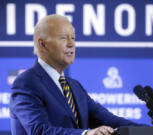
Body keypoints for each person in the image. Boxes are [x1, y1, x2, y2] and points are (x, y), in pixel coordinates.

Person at [10, 14, 144, 135]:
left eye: (73, 38)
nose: (71, 44)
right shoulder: (26, 83)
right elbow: (39, 131)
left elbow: (109, 120)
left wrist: (149, 131)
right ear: (43, 44)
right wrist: (86, 134)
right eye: (63, 38)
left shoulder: (74, 86)